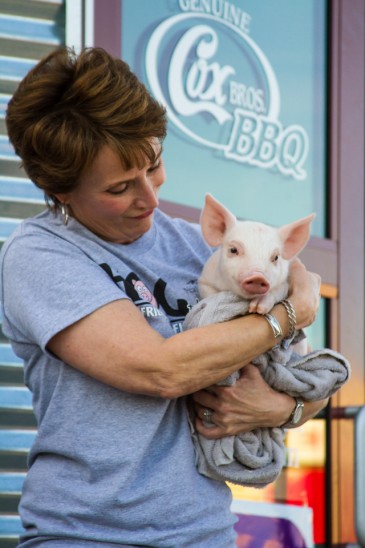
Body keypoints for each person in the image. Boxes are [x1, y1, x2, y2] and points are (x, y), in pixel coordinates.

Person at [1, 47, 324, 548]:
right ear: (61, 191)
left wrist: (281, 410)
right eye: (120, 187)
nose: (151, 198)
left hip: (206, 534)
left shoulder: (205, 247)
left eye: (154, 165)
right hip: (88, 536)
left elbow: (306, 379)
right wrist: (289, 313)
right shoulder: (40, 255)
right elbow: (159, 370)